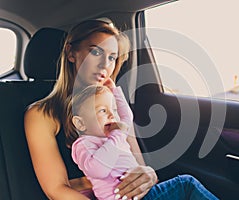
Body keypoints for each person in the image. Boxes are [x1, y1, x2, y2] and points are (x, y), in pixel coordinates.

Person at [24, 19, 157, 200]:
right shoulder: (41, 114)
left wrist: (149, 175)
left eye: (111, 57)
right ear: (71, 53)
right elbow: (56, 190)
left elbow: (137, 166)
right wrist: (88, 182)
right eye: (96, 52)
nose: (105, 65)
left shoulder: (116, 109)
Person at [68, 84, 219, 200]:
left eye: (113, 109)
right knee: (186, 184)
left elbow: (127, 117)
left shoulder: (111, 136)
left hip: (140, 194)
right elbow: (97, 170)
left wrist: (115, 90)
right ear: (81, 124)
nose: (112, 115)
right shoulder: (84, 144)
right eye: (102, 111)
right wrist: (117, 135)